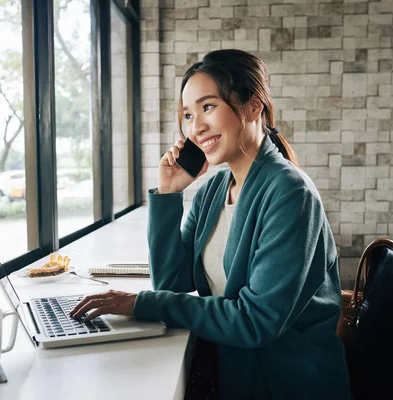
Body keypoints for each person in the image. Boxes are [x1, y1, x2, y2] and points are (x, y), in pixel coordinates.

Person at [70, 49, 351, 399]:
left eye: (207, 107)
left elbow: (255, 321)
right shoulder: (215, 189)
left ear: (252, 107)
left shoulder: (290, 194)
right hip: (237, 373)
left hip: (285, 383)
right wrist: (168, 195)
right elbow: (172, 282)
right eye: (188, 115)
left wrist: (141, 303)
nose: (195, 127)